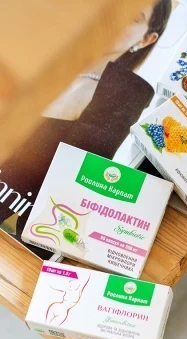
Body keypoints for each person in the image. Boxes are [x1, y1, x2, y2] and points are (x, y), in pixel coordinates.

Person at [0, 0, 172, 252]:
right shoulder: (35, 52)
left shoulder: (116, 100)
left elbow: (56, 209)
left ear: (145, 39)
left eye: (134, 17)